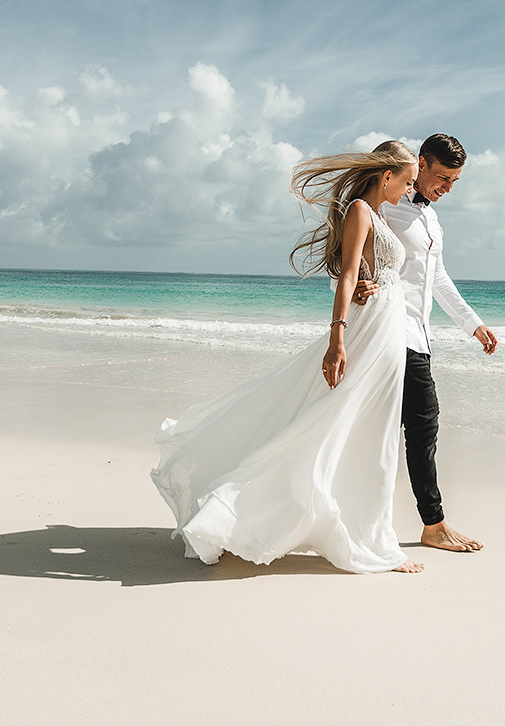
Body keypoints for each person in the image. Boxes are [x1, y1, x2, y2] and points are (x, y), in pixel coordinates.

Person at [149, 141, 425, 574]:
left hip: (388, 329)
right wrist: (337, 336)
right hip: (369, 332)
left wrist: (370, 285)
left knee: (374, 432)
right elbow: (349, 273)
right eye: (407, 181)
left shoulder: (381, 215)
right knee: (337, 423)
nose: (410, 190)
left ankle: (368, 532)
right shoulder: (359, 210)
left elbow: (366, 271)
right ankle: (246, 509)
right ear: (386, 175)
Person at [371, 133, 499, 552]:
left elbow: (436, 276)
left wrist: (471, 323)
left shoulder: (432, 220)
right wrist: (352, 285)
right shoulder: (385, 204)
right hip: (391, 330)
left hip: (419, 336)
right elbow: (347, 246)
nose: (446, 188)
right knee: (424, 424)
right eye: (442, 177)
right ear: (420, 164)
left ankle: (405, 521)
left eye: (455, 181)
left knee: (402, 428)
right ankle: (434, 524)